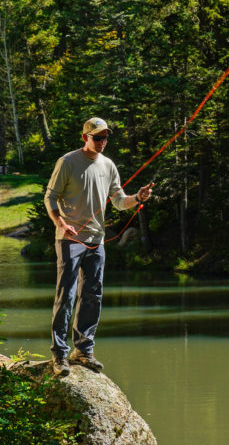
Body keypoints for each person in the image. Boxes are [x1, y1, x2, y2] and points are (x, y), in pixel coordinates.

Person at [44, 116, 153, 377]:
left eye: (105, 137)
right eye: (97, 137)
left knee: (93, 296)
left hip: (97, 240)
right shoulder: (68, 162)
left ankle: (83, 350)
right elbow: (50, 196)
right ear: (85, 138)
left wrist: (137, 197)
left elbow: (118, 201)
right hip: (70, 238)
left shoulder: (109, 165)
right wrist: (60, 223)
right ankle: (59, 355)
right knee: (66, 295)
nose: (102, 142)